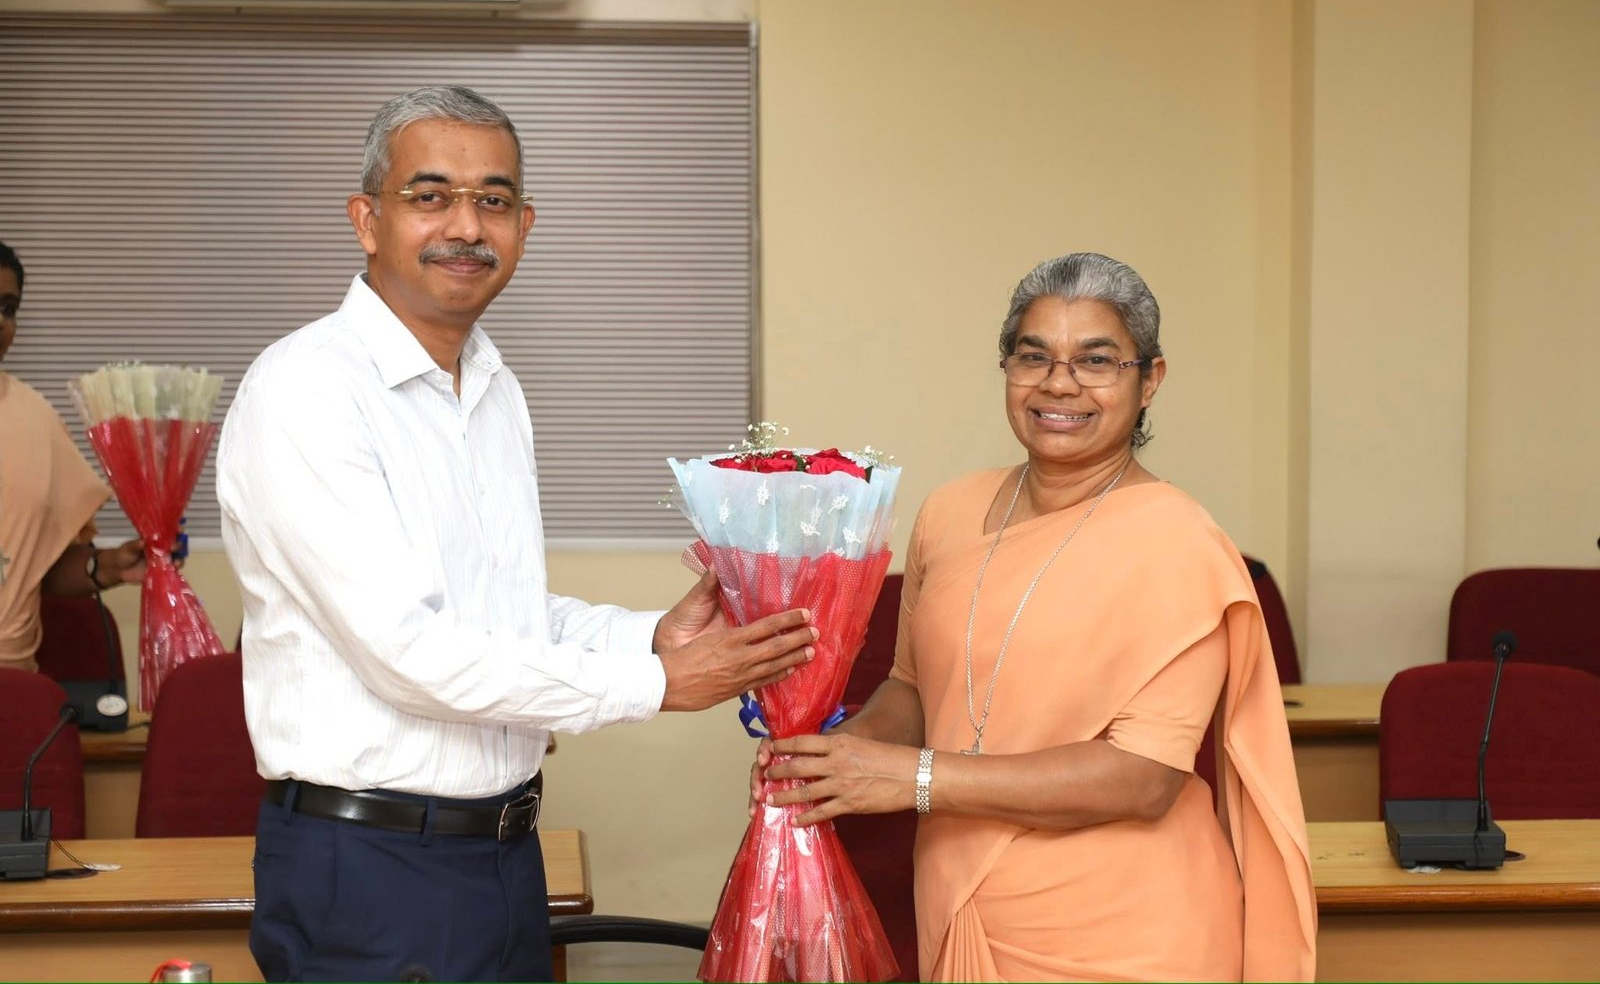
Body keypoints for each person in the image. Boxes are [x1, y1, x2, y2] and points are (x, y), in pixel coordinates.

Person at [216, 86, 817, 983]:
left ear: (525, 227)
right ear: (367, 220)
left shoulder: (494, 387)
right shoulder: (305, 390)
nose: (466, 226)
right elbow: (406, 649)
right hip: (371, 869)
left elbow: (496, 612)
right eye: (430, 196)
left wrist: (649, 636)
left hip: (502, 853)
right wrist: (656, 683)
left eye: (493, 200)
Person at [759, 252, 1316, 981]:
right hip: (962, 894)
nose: (1059, 382)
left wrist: (914, 777)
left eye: (1096, 360)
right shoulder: (949, 511)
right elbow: (913, 688)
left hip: (1131, 927)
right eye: (1034, 356)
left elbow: (1142, 777)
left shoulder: (1180, 542)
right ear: (1007, 367)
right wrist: (835, 758)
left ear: (1150, 380)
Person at [0, 241, 145, 673]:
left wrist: (108, 566)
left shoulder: (37, 418)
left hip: (14, 686)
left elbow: (41, 568)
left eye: (8, 308)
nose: (1, 321)